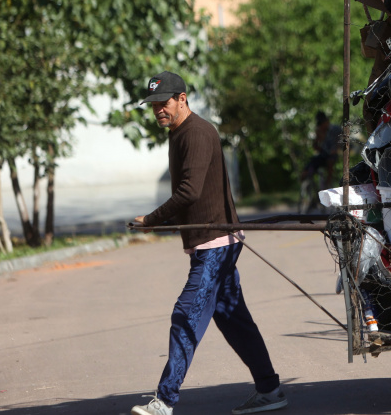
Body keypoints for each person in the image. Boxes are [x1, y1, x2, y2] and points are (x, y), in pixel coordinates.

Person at [129, 71, 287, 415]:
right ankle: (270, 390)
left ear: (182, 99)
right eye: (154, 105)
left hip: (216, 243)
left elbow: (189, 191)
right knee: (233, 318)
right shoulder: (179, 133)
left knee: (186, 314)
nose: (158, 110)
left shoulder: (197, 133)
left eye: (164, 103)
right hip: (213, 241)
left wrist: (152, 219)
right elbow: (191, 195)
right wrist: (160, 222)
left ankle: (165, 401)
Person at [299, 111, 342, 191]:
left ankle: (327, 184)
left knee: (330, 165)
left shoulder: (336, 129)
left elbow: (340, 143)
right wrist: (318, 138)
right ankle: (308, 184)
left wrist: (336, 149)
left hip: (332, 154)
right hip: (323, 154)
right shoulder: (319, 130)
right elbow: (315, 146)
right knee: (310, 166)